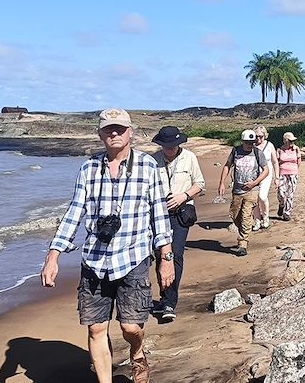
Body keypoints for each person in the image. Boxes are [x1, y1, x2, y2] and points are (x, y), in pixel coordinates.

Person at [40, 108, 173, 383]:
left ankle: (137, 352)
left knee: (130, 327)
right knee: (96, 329)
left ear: (131, 132)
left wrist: (166, 257)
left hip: (133, 258)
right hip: (94, 261)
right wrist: (53, 255)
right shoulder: (88, 168)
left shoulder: (148, 167)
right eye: (108, 129)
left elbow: (158, 214)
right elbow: (74, 212)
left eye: (120, 128)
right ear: (100, 133)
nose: (114, 133)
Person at [151, 125, 205, 322]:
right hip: (158, 215)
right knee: (160, 256)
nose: (169, 149)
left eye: (172, 146)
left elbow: (200, 183)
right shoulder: (153, 160)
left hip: (181, 214)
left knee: (175, 255)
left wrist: (183, 196)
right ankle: (163, 296)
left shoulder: (189, 158)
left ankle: (168, 302)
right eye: (166, 146)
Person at [217, 129, 269, 256]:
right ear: (242, 141)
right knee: (235, 215)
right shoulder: (235, 151)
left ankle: (243, 243)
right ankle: (243, 232)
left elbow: (266, 170)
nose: (249, 145)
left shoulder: (257, 153)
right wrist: (222, 182)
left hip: (252, 191)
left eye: (252, 142)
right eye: (247, 143)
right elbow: (227, 166)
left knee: (246, 216)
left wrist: (255, 182)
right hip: (237, 190)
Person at [251, 125, 279, 231]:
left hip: (266, 174)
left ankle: (265, 217)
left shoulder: (269, 145)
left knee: (262, 196)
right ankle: (257, 220)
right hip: (253, 175)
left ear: (265, 136)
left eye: (261, 136)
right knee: (254, 199)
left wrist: (277, 177)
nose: (258, 139)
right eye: (256, 136)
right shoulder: (251, 146)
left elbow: (275, 162)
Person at [276, 132, 301, 221]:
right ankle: (281, 205)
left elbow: (298, 160)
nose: (292, 143)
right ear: (285, 141)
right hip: (282, 172)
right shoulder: (279, 150)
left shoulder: (296, 149)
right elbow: (276, 162)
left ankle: (287, 213)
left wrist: (295, 171)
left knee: (290, 193)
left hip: (293, 173)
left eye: (293, 141)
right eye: (290, 141)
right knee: (281, 192)